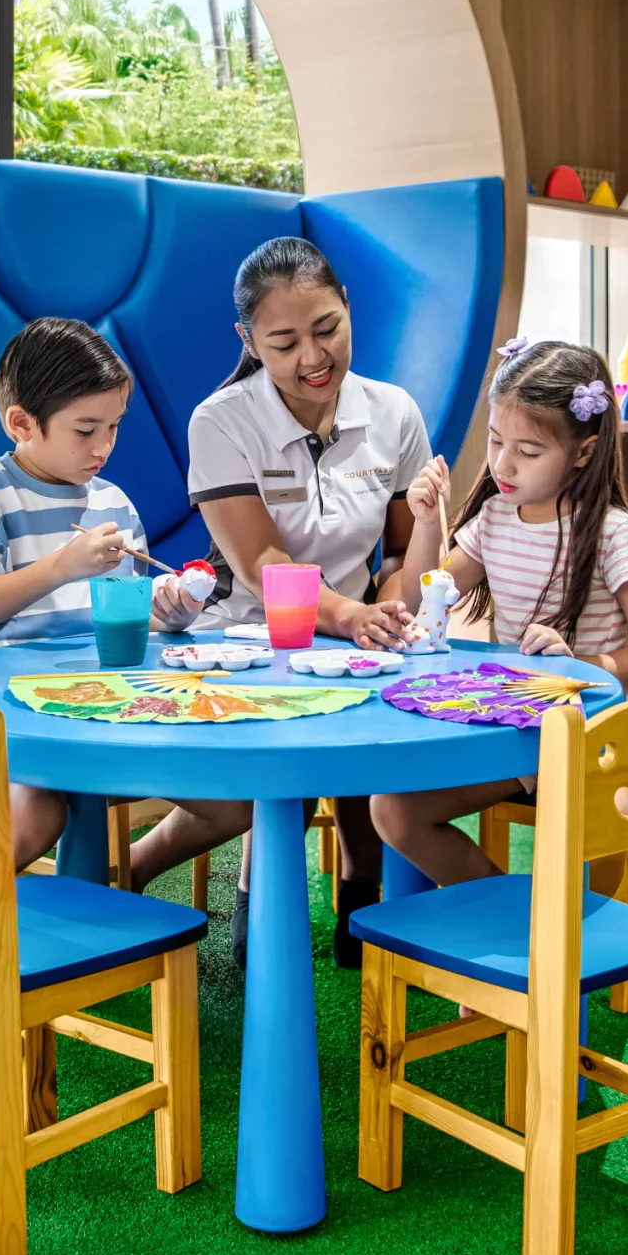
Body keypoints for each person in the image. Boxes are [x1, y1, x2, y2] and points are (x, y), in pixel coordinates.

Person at [187, 236, 437, 965]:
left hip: (358, 639)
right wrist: (353, 617)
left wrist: (384, 613)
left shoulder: (394, 412)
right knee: (291, 775)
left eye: (326, 328)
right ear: (248, 340)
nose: (312, 357)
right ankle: (255, 923)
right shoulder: (222, 421)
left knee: (382, 750)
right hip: (249, 645)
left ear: (349, 309)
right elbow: (264, 564)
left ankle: (368, 906)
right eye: (284, 341)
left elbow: (398, 553)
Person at [0, 316, 249, 881]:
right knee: (37, 815)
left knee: (236, 802)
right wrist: (58, 567)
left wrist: (168, 614)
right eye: (85, 429)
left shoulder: (114, 505)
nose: (103, 445)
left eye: (114, 426)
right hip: (10, 723)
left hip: (106, 712)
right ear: (22, 423)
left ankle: (121, 879)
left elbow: (134, 622)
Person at [371, 338, 628, 888]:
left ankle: (577, 939)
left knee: (581, 839)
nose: (503, 463)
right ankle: (512, 916)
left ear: (583, 451)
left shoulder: (615, 535)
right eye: (496, 440)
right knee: (394, 809)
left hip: (601, 742)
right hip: (520, 733)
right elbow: (422, 601)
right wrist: (424, 523)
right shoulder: (495, 518)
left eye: (529, 451)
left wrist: (584, 666)